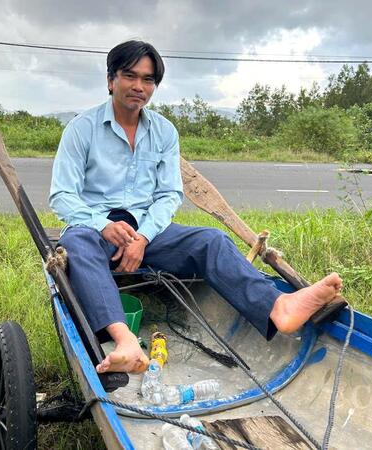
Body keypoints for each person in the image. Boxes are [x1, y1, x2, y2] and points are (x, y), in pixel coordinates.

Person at [49, 40, 343, 374]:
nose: (139, 86)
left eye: (148, 79)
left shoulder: (163, 131)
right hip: (96, 229)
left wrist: (143, 237)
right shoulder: (82, 129)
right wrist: (103, 225)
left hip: (148, 230)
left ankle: (279, 307)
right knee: (76, 244)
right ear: (110, 80)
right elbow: (63, 195)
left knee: (211, 240)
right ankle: (125, 340)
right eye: (130, 76)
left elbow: (169, 195)